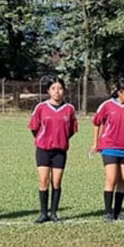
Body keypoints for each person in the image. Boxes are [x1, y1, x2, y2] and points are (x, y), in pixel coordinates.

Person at [29, 77, 78, 223]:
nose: (57, 92)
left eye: (60, 88)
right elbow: (34, 127)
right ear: (48, 91)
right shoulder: (41, 107)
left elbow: (71, 130)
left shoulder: (69, 109)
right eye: (53, 88)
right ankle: (43, 214)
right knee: (43, 181)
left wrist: (61, 139)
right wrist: (42, 139)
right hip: (43, 149)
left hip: (60, 151)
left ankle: (54, 213)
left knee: (56, 182)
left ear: (64, 90)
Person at [91, 78, 124, 222]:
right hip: (109, 147)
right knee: (111, 178)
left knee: (122, 180)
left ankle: (117, 212)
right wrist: (95, 143)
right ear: (120, 92)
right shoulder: (107, 106)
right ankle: (108, 212)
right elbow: (97, 123)